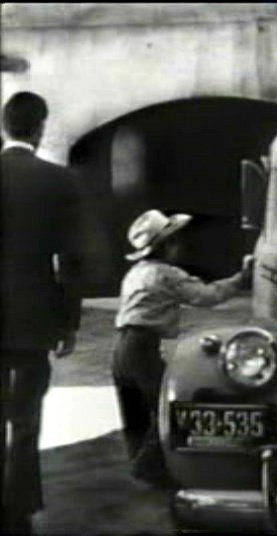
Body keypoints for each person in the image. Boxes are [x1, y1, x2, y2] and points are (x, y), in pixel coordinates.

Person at [113, 209, 249, 489]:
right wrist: (240, 279)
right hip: (142, 348)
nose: (181, 246)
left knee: (135, 412)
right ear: (165, 246)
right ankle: (148, 467)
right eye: (175, 241)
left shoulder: (135, 273)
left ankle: (145, 469)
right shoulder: (167, 274)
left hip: (121, 347)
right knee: (167, 408)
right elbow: (207, 296)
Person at [1, 91, 85, 534]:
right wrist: (68, 322)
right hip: (33, 319)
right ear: (40, 127)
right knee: (26, 418)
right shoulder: (58, 181)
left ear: (3, 125)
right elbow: (70, 260)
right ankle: (18, 513)